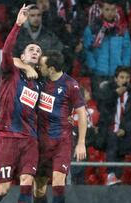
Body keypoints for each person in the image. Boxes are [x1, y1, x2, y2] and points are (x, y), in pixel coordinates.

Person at [0, 5, 42, 203]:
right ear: (23, 57)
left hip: (30, 139)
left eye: (38, 50)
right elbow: (7, 53)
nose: (35, 51)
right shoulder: (10, 73)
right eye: (31, 49)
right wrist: (18, 25)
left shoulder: (41, 82)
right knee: (2, 189)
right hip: (8, 136)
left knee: (28, 182)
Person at [32, 50, 87, 203]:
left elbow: (82, 113)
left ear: (51, 69)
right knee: (39, 187)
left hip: (62, 141)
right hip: (41, 141)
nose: (38, 67)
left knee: (58, 181)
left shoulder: (71, 85)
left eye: (41, 65)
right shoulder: (39, 82)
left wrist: (81, 142)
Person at [96, 66, 131, 185]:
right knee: (112, 143)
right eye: (121, 77)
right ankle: (110, 175)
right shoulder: (107, 90)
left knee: (121, 158)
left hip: (124, 132)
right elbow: (102, 108)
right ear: (116, 79)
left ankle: (115, 181)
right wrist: (115, 94)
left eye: (127, 77)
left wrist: (125, 129)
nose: (124, 80)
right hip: (109, 130)